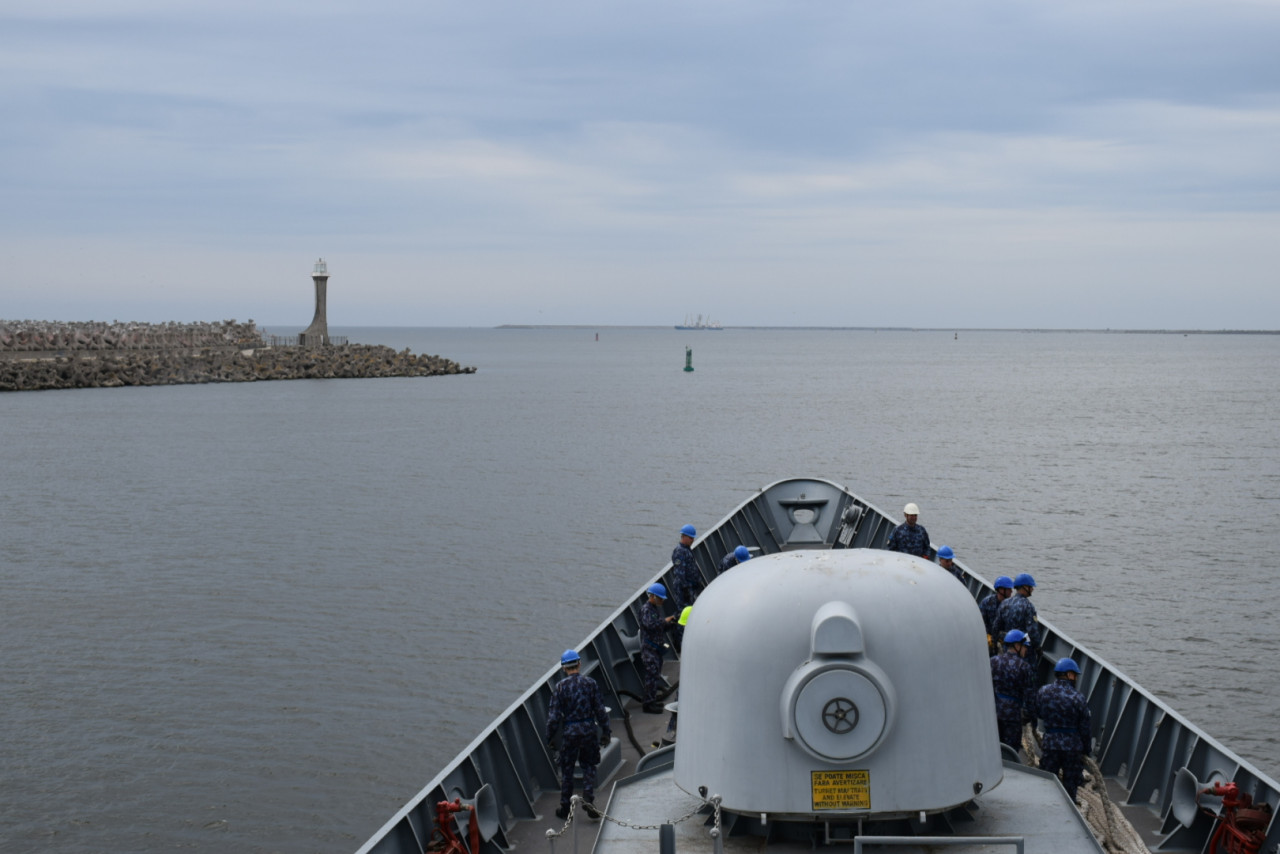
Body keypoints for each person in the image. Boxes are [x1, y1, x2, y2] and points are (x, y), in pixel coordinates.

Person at [545, 649, 611, 820]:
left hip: (570, 733)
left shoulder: (560, 687)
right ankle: (588, 798)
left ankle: (565, 808)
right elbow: (600, 710)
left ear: (563, 668)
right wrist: (606, 731)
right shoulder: (590, 683)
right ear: (579, 664)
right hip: (589, 730)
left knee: (567, 770)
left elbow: (554, 718)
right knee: (589, 765)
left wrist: (550, 737)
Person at [1032, 658, 1092, 803]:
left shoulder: (1043, 692)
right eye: (1075, 675)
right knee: (1070, 785)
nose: (1076, 678)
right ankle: (1069, 808)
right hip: (1072, 747)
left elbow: (1038, 713)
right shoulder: (1078, 697)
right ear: (1069, 674)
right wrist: (1086, 750)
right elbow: (1085, 727)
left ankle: (1045, 805)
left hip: (1050, 744)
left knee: (1047, 781)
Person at [990, 629, 1036, 752]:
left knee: (993, 746)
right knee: (1010, 750)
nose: (1026, 650)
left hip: (994, 712)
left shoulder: (994, 661)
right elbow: (1030, 696)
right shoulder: (1025, 667)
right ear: (1017, 646)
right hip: (1013, 716)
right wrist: (1028, 716)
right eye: (1024, 647)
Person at [639, 583, 676, 713]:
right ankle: (648, 704)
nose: (662, 601)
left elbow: (659, 627)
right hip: (649, 649)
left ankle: (652, 700)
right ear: (653, 596)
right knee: (651, 675)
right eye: (660, 598)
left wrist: (671, 623)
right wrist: (665, 621)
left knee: (655, 675)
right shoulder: (646, 610)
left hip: (656, 649)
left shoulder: (654, 609)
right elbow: (650, 625)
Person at [995, 573, 1041, 656]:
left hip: (1006, 648)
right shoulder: (1028, 606)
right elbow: (1032, 631)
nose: (1032, 589)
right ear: (1025, 587)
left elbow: (996, 626)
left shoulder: (1004, 603)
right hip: (1022, 650)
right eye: (1031, 587)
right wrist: (1037, 647)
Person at [671, 524, 703, 610]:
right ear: (684, 536)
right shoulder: (679, 551)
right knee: (684, 610)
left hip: (690, 587)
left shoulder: (687, 549)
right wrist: (685, 589)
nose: (692, 540)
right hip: (683, 589)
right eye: (690, 538)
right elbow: (679, 572)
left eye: (693, 538)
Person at [979, 576, 1015, 655]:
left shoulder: (1012, 606)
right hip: (988, 640)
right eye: (1009, 589)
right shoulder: (987, 602)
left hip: (1005, 641)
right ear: (1001, 590)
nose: (1011, 591)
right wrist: (986, 636)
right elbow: (980, 622)